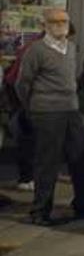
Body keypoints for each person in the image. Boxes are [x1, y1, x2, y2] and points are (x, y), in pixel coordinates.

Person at [16, 9, 84, 226]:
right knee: (47, 162)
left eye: (64, 21)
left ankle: (83, 204)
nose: (60, 25)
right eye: (54, 21)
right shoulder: (35, 50)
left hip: (71, 110)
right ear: (45, 25)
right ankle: (40, 211)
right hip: (46, 112)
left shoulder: (72, 48)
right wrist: (31, 107)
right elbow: (22, 83)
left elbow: (73, 79)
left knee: (80, 157)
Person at [5, 31, 45, 191]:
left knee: (26, 136)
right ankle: (27, 177)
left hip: (16, 89)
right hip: (22, 92)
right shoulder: (39, 49)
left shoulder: (33, 45)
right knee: (30, 136)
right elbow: (25, 80)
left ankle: (26, 177)